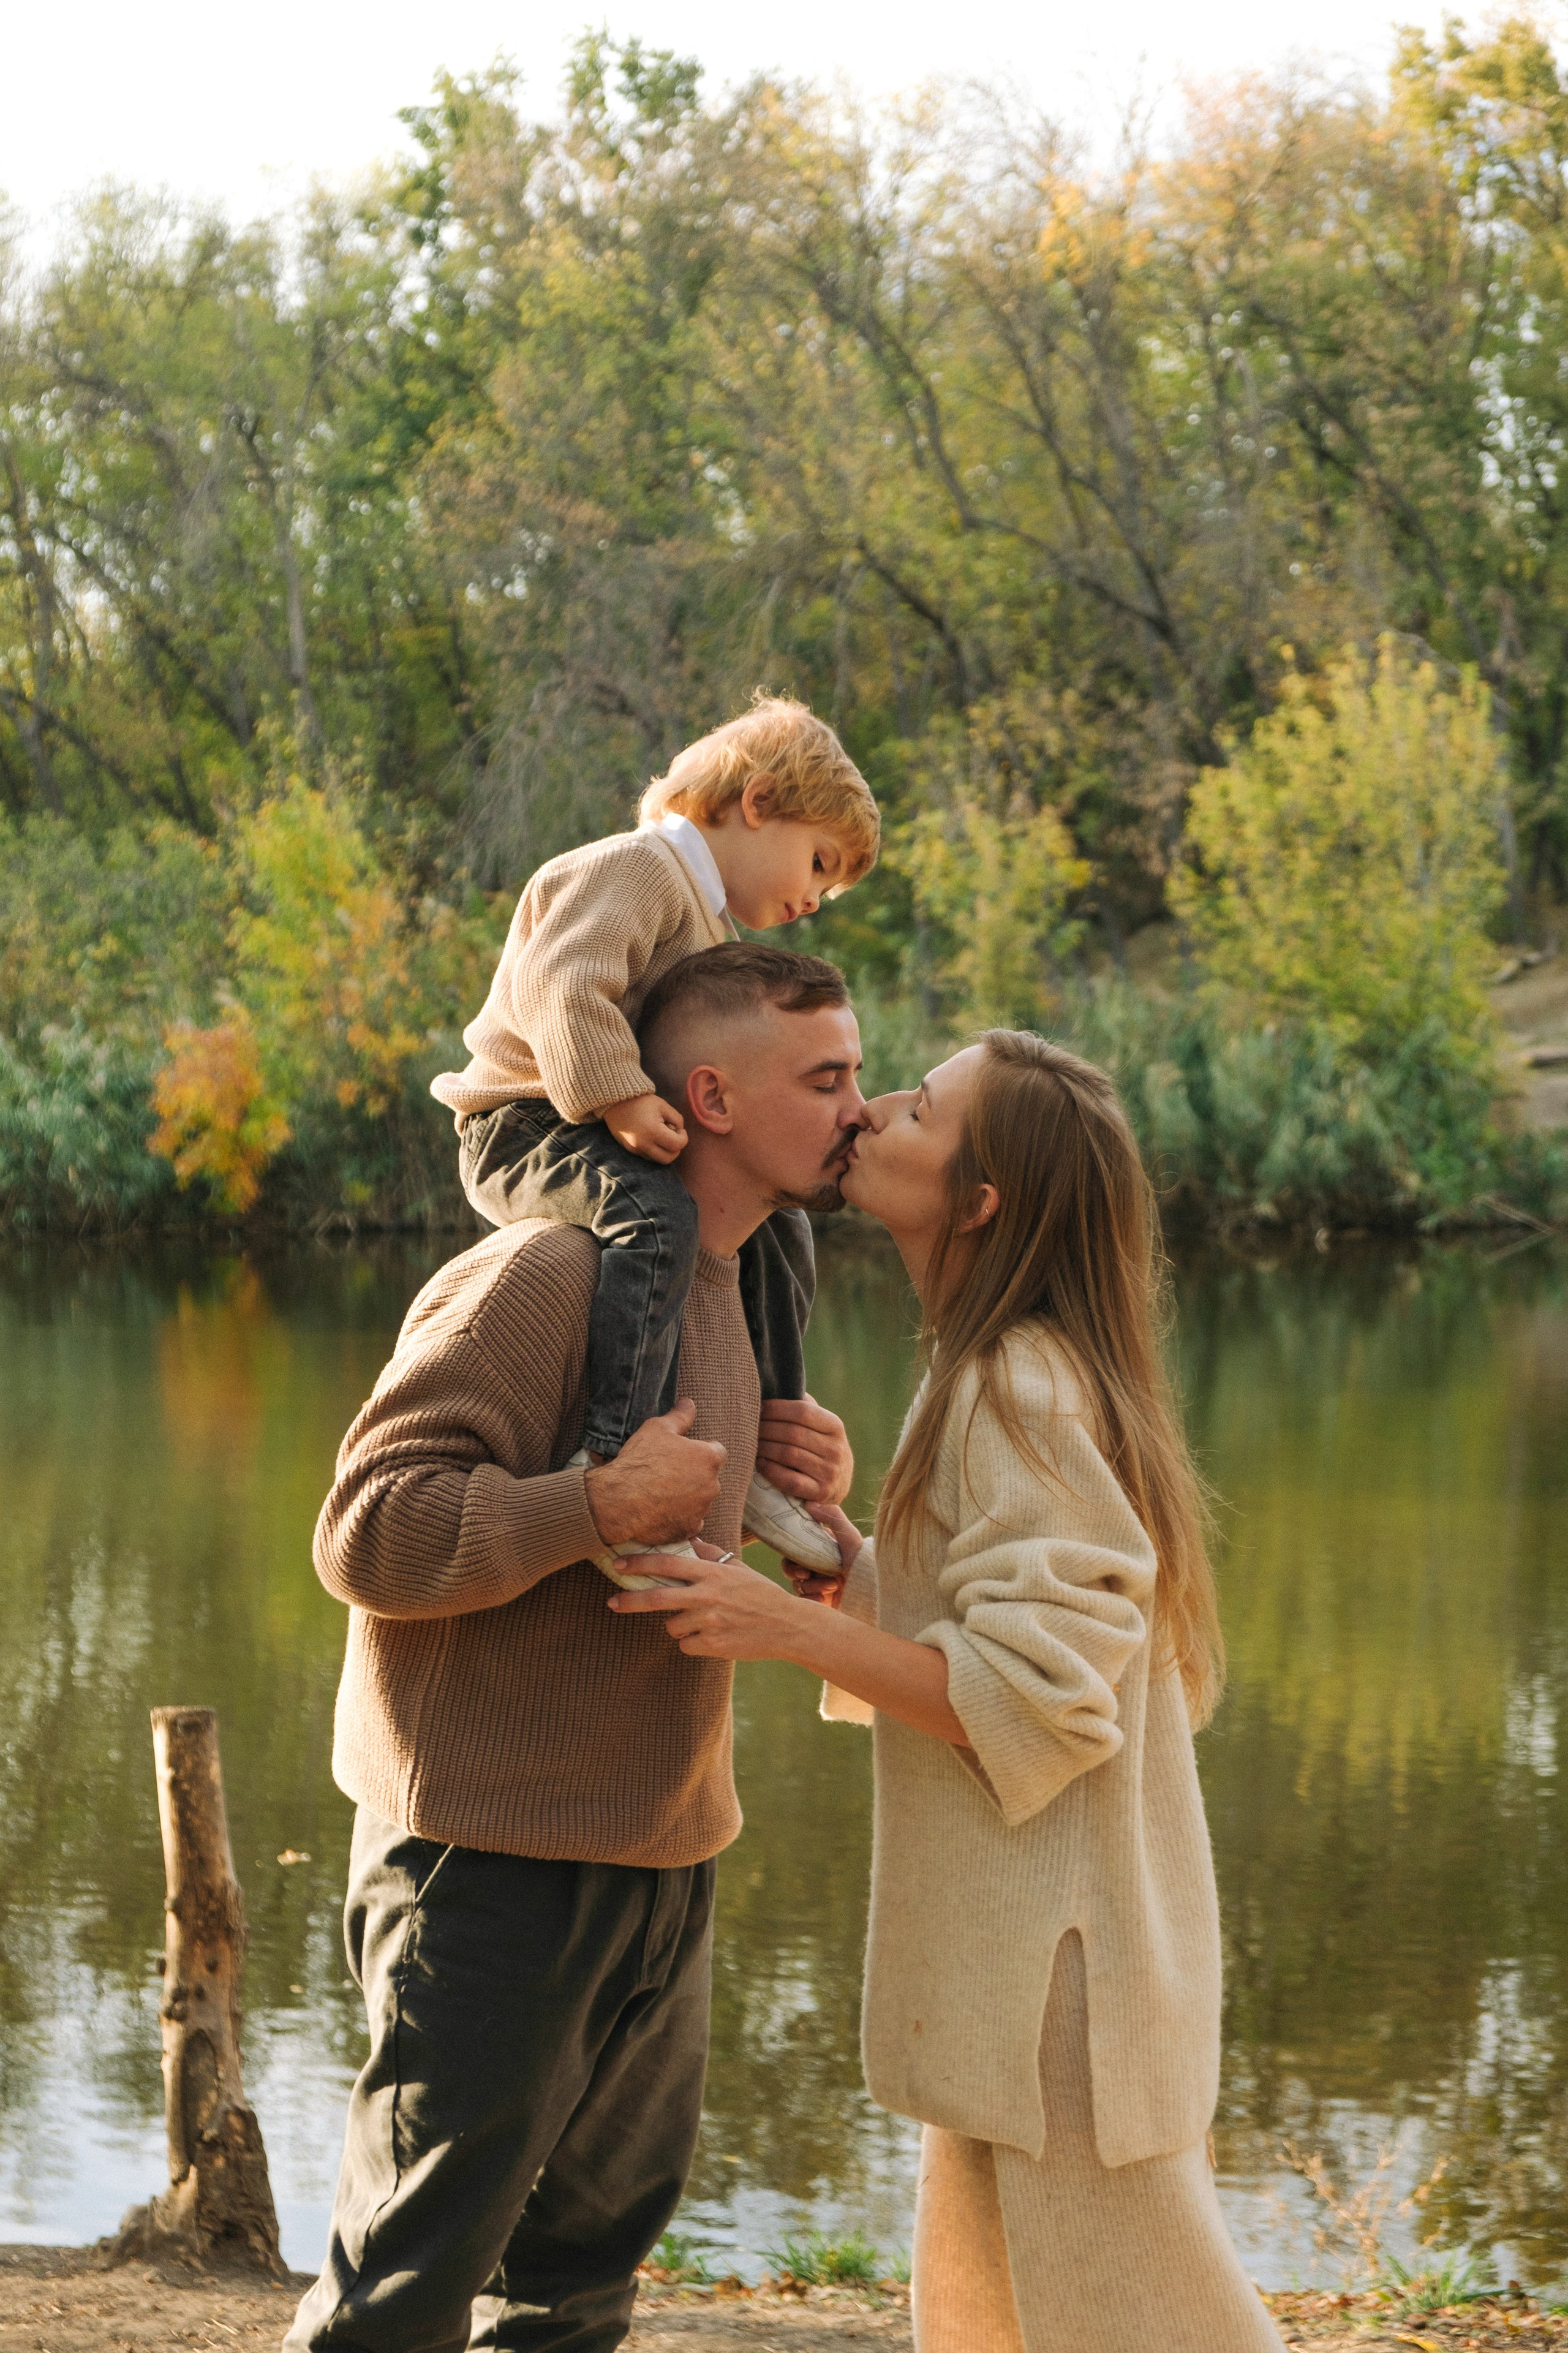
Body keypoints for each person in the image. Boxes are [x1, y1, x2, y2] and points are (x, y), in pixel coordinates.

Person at [608, 1030, 1284, 2353]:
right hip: (1019, 1987)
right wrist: (840, 1567)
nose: (874, 1112)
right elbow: (991, 1632)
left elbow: (1043, 1701)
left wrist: (782, 1634)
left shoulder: (1016, 1383)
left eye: (917, 1108)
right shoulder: (986, 1369)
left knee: (1152, 2328)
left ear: (977, 1202)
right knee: (993, 2328)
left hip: (1062, 2003)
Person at [285, 943, 865, 2353]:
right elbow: (363, 1532)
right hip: (486, 1868)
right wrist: (591, 1502)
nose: (860, 1106)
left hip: (664, 1855)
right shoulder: (542, 1275)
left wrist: (804, 1510)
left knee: (577, 2288)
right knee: (401, 2297)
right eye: (828, 1078)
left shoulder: (738, 1287)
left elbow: (698, 1552)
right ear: (711, 1097)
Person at [428, 696, 878, 1568]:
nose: (816, 898)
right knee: (656, 1216)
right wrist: (623, 1096)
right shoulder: (639, 868)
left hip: (588, 1117)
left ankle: (767, 1450)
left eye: (829, 888)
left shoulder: (708, 920)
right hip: (524, 1120)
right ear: (759, 802)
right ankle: (618, 1454)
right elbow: (565, 987)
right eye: (818, 863)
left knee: (780, 1226)